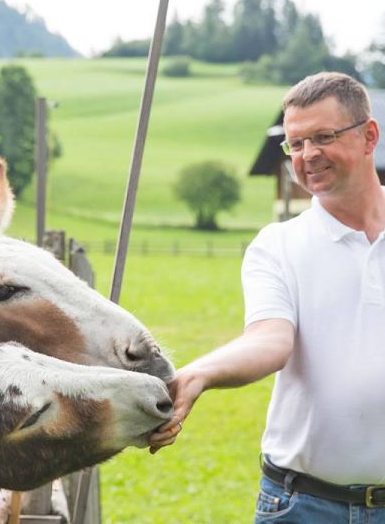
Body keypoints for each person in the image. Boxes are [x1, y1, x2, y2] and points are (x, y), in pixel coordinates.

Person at [150, 72, 385, 522]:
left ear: (369, 136)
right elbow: (270, 340)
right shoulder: (277, 245)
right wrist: (200, 373)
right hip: (304, 506)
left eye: (324, 137)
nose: (308, 155)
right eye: (296, 144)